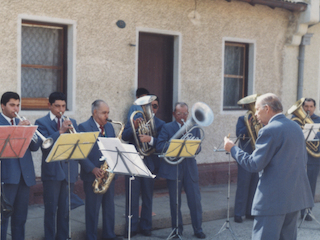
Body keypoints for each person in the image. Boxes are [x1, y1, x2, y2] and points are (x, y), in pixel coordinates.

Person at [224, 93, 314, 240]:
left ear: (267, 108)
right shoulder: (296, 126)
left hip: (273, 200)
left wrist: (232, 149)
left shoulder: (269, 130)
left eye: (257, 109)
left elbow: (253, 165)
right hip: (294, 197)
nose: (255, 114)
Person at [156, 102, 206, 239]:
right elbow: (160, 146)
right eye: (179, 114)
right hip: (174, 168)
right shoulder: (167, 127)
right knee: (175, 202)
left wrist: (197, 148)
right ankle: (177, 231)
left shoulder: (194, 128)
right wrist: (175, 145)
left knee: (195, 200)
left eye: (185, 113)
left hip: (190, 168)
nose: (182, 116)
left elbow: (198, 146)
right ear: (174, 114)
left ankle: (198, 229)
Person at [35, 92, 79, 240]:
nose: (61, 109)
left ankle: (63, 237)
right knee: (51, 210)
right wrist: (60, 132)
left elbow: (77, 143)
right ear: (50, 105)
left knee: (65, 210)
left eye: (64, 106)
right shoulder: (41, 122)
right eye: (57, 106)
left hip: (68, 171)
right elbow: (44, 145)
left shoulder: (72, 121)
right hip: (52, 173)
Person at [122, 95, 165, 238]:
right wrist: (133, 126)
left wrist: (150, 140)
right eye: (149, 105)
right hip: (133, 162)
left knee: (147, 197)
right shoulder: (134, 120)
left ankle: (146, 226)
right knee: (132, 197)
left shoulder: (160, 124)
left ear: (158, 108)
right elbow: (125, 137)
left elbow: (162, 144)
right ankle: (132, 227)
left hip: (149, 163)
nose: (152, 108)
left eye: (155, 106)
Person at [78, 100, 121, 240]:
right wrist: (92, 169)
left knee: (109, 208)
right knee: (92, 210)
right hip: (93, 175)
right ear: (95, 112)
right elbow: (79, 152)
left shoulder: (109, 127)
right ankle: (91, 237)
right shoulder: (83, 127)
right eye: (104, 113)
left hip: (108, 174)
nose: (107, 116)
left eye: (108, 112)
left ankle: (109, 235)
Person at [0, 91, 40, 240]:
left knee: (20, 219)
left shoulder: (21, 121)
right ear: (3, 106)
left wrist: (29, 131)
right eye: (12, 105)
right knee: (3, 219)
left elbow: (35, 147)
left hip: (24, 176)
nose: (16, 109)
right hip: (6, 176)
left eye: (18, 105)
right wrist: (19, 130)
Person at [233, 115, 259, 223]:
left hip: (257, 156)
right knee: (243, 185)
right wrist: (248, 124)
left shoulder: (261, 119)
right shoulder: (242, 119)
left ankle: (250, 212)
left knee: (255, 185)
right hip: (245, 156)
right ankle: (238, 213)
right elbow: (239, 134)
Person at [299, 98, 320, 221]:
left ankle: (307, 211)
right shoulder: (296, 120)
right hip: (298, 158)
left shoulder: (319, 120)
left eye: (311, 106)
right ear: (302, 107)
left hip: (313, 159)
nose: (308, 109)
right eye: (306, 106)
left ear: (314, 108)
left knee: (310, 185)